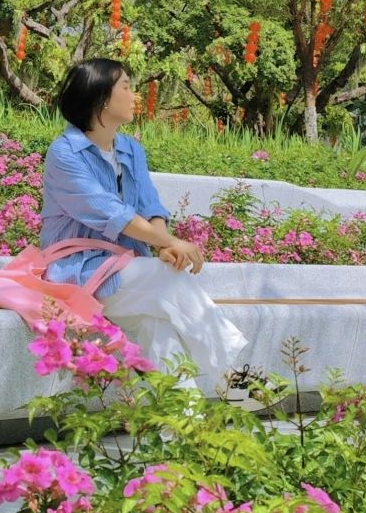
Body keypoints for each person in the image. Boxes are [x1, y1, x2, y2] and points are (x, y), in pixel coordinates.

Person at [41, 58, 247, 388]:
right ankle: (232, 377)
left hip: (127, 270)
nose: (135, 95)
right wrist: (167, 244)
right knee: (167, 280)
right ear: (101, 98)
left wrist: (163, 244)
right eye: (126, 86)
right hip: (79, 273)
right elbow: (109, 211)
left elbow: (150, 204)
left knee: (158, 326)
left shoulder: (131, 149)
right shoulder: (65, 153)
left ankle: (180, 429)